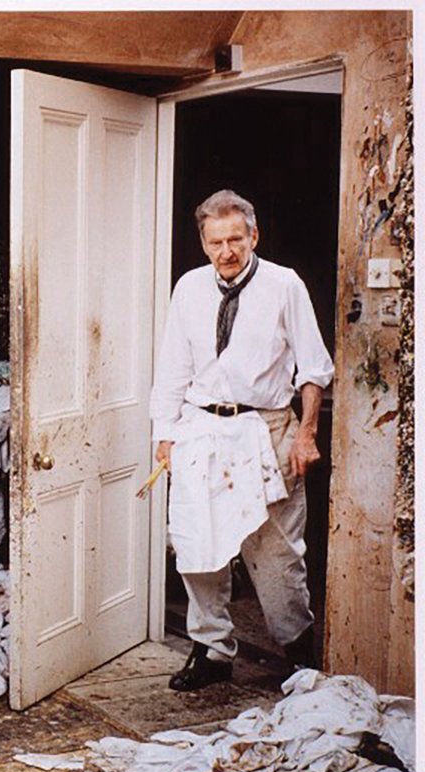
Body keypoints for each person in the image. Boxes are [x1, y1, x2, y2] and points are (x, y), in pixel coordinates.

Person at [150, 189, 334, 692]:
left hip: (265, 431)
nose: (226, 251)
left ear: (254, 236)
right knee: (198, 545)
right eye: (216, 242)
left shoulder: (283, 285)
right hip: (201, 431)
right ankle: (211, 650)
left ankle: (297, 653)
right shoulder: (189, 288)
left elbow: (314, 368)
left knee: (276, 554)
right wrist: (165, 434)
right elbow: (173, 368)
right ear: (203, 243)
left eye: (236, 239)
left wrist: (306, 434)